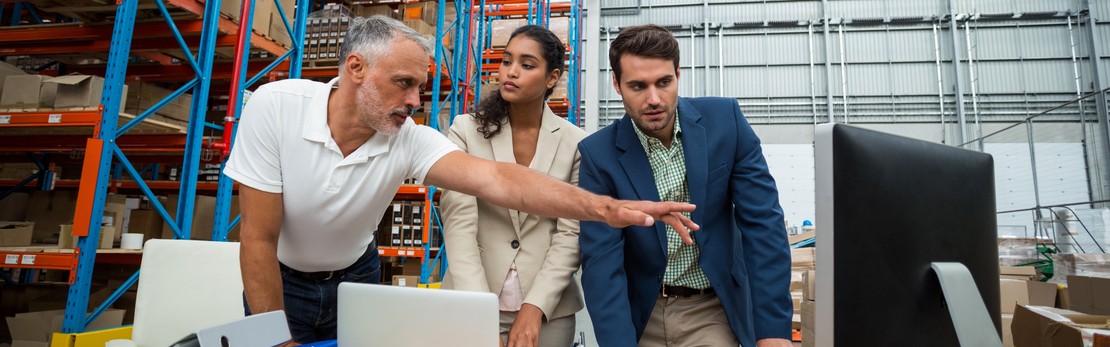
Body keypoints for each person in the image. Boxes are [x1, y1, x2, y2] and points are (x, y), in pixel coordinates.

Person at [224, 16, 697, 344]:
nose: (415, 100)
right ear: (356, 69)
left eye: (421, 88)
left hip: (356, 276)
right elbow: (258, 239)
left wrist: (606, 208)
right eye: (404, 83)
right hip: (281, 277)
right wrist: (272, 339)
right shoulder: (275, 108)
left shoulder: (407, 138)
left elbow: (499, 180)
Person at [577, 24, 793, 347]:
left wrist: (773, 331)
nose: (654, 99)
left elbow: (764, 226)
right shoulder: (598, 156)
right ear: (616, 84)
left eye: (664, 82)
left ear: (678, 73)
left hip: (711, 308)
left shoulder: (726, 122)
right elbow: (601, 264)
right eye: (638, 86)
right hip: (640, 315)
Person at [440, 25, 585, 347]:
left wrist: (535, 308)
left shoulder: (577, 143)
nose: (512, 71)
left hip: (548, 312)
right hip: (470, 297)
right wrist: (478, 310)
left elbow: (570, 233)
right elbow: (459, 222)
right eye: (507, 61)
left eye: (527, 64)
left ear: (552, 78)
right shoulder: (465, 131)